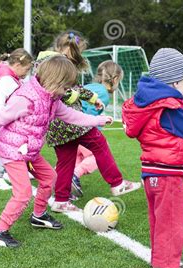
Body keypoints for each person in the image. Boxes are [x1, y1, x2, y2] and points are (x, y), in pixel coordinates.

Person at [0, 56, 113, 248]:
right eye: (66, 87)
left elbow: (71, 115)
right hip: (13, 151)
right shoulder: (24, 100)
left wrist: (97, 120)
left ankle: (38, 215)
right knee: (23, 193)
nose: (68, 92)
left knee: (50, 178)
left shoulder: (52, 99)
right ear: (54, 81)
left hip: (29, 151)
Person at [37, 30, 140, 213]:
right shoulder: (56, 66)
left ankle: (61, 200)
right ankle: (117, 183)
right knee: (100, 144)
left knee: (66, 162)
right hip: (71, 121)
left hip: (56, 125)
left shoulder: (50, 63)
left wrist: (92, 98)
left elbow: (75, 88)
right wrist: (80, 99)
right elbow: (63, 92)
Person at [122, 48, 183, 268]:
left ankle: (162, 258)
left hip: (152, 171)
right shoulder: (168, 106)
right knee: (172, 220)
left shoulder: (149, 103)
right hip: (167, 175)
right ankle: (166, 266)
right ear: (175, 82)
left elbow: (163, 136)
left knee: (159, 219)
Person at [70, 60, 124, 199]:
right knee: (97, 155)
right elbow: (89, 113)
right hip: (82, 129)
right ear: (116, 79)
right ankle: (74, 176)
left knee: (76, 157)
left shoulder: (91, 86)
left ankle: (65, 184)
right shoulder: (103, 94)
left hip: (70, 127)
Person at [0, 48, 33, 190]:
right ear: (18, 65)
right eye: (26, 69)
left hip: (7, 118)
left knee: (17, 145)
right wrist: (4, 119)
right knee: (12, 146)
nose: (26, 73)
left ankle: (11, 171)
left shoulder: (10, 76)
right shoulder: (7, 79)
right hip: (5, 119)